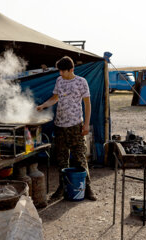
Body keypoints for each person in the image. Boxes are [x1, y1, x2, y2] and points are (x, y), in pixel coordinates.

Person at [36, 56, 97, 201]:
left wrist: (86, 124)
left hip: (75, 125)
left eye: (63, 71)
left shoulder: (81, 82)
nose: (60, 74)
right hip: (60, 125)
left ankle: (87, 187)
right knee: (62, 159)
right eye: (60, 71)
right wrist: (44, 105)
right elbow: (55, 98)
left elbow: (87, 105)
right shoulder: (59, 81)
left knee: (80, 157)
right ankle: (62, 187)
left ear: (72, 69)